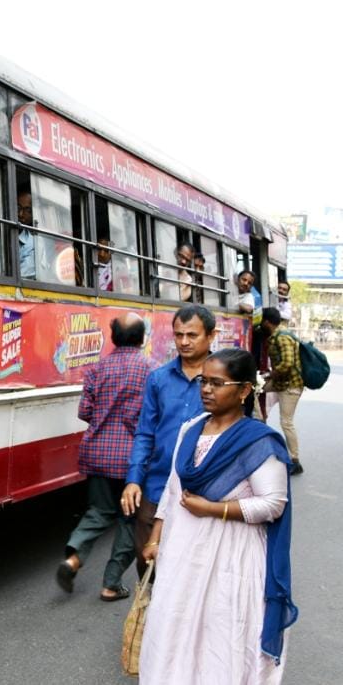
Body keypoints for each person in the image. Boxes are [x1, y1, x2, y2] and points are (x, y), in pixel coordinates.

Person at [139, 348, 297, 683]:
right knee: (174, 626)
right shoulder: (191, 429)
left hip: (231, 557)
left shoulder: (258, 442)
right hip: (182, 552)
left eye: (217, 383)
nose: (207, 390)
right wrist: (155, 538)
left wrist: (212, 509)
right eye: (203, 382)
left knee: (220, 635)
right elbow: (172, 490)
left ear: (243, 390)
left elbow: (273, 504)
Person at [57, 313, 152, 600]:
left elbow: (85, 411)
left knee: (98, 511)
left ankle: (73, 559)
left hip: (97, 452)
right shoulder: (151, 369)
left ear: (113, 337)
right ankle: (111, 583)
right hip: (131, 459)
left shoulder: (97, 368)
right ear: (142, 338)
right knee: (127, 520)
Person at [121, 304, 215, 575]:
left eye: (192, 335)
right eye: (178, 335)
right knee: (148, 566)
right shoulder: (158, 379)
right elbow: (145, 433)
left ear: (210, 335)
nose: (183, 342)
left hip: (203, 492)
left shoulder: (223, 379)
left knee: (192, 573)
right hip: (157, 487)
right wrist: (133, 480)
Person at [260, 307, 304, 475]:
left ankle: (295, 460)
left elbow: (287, 363)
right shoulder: (277, 335)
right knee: (256, 390)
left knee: (287, 422)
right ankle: (260, 421)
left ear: (267, 322)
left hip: (290, 386)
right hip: (282, 384)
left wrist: (271, 374)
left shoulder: (283, 337)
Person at [236, 269, 265, 417]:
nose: (246, 284)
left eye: (249, 282)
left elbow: (248, 308)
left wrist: (239, 305)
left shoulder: (249, 297)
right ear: (238, 278)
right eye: (244, 280)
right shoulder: (231, 290)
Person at [17, 190, 36, 280]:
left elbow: (21, 278)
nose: (20, 214)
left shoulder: (33, 244)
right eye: (18, 208)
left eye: (27, 210)